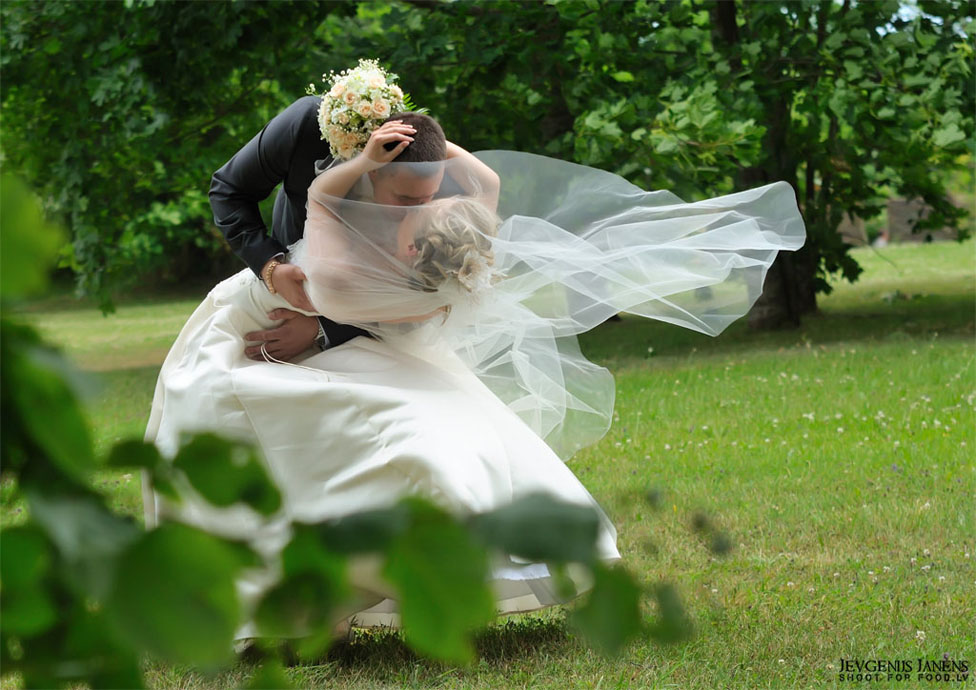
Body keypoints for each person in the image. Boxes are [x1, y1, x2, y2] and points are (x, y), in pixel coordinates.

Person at [146, 111, 805, 634]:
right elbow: (477, 183)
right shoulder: (324, 144)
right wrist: (271, 264)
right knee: (228, 414)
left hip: (339, 320)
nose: (410, 216)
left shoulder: (413, 274)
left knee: (421, 437)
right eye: (406, 199)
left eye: (424, 205)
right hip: (262, 302)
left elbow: (352, 271)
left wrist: (319, 323)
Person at [209, 100, 452, 361]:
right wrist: (270, 266)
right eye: (404, 199)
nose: (416, 211)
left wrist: (323, 328)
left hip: (371, 340)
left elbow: (429, 297)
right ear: (375, 174)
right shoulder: (308, 126)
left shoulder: (433, 178)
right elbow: (229, 190)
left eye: (427, 199)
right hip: (277, 306)